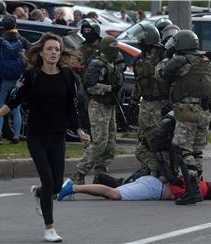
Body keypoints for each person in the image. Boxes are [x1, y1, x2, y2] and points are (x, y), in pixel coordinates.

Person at [0, 33, 90, 242]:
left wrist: (79, 131)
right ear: (41, 53)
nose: (53, 53)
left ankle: (41, 193)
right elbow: (12, 100)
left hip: (58, 135)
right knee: (49, 180)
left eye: (57, 50)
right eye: (49, 49)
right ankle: (49, 229)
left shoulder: (67, 76)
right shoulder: (31, 76)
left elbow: (71, 108)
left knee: (57, 186)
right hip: (36, 136)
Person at [160, 30, 211, 204]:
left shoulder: (181, 61)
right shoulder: (206, 62)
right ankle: (198, 186)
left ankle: (192, 190)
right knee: (197, 151)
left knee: (182, 149)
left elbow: (162, 75)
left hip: (188, 110)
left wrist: (167, 58)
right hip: (205, 112)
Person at [71, 36, 125, 185]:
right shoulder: (96, 64)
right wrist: (110, 88)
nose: (116, 49)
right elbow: (91, 86)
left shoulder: (113, 63)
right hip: (98, 105)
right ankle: (79, 174)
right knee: (99, 141)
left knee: (110, 143)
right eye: (113, 46)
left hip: (110, 106)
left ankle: (101, 175)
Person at [128, 23, 169, 176]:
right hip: (145, 103)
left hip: (161, 103)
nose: (139, 42)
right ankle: (147, 169)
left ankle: (163, 171)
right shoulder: (140, 58)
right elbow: (138, 83)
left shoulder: (164, 55)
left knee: (158, 139)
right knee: (143, 139)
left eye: (141, 39)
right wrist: (133, 102)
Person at [0, 15, 30, 144]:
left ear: (3, 25)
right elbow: (31, 52)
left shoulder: (0, 39)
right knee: (15, 107)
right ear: (15, 25)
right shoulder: (21, 39)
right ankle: (16, 135)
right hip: (17, 78)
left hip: (3, 78)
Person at [57, 175, 211, 202]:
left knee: (113, 191)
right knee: (114, 194)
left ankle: (73, 188)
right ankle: (73, 187)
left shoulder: (198, 181)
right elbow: (176, 195)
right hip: (154, 189)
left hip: (151, 183)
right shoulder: (200, 189)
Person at [75, 18, 102, 133]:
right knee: (82, 107)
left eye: (88, 29)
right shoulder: (81, 47)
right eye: (84, 29)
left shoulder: (102, 46)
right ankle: (86, 131)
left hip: (99, 84)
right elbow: (75, 64)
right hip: (84, 84)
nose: (86, 32)